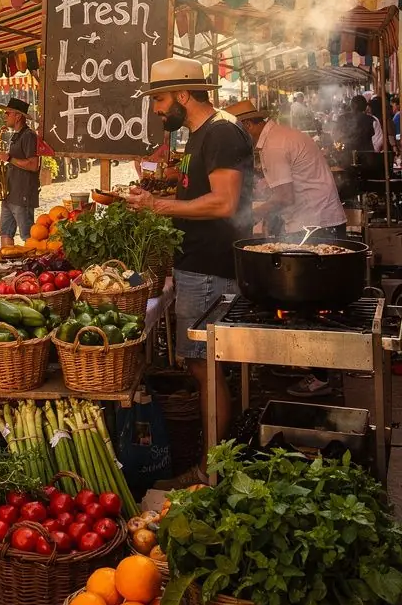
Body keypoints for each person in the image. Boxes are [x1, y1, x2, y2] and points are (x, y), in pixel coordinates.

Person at [125, 57, 254, 452]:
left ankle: (213, 461)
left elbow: (223, 203)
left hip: (209, 267)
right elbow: (197, 193)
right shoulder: (200, 133)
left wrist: (156, 206)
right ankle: (214, 454)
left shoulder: (220, 133)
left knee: (204, 366)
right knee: (202, 365)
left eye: (160, 99)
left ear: (183, 94)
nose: (156, 109)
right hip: (197, 264)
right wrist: (162, 196)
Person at [230, 99, 347, 399]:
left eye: (238, 129)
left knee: (314, 303)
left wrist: (252, 215)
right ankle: (312, 367)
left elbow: (284, 197)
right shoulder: (279, 137)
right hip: (317, 220)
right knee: (311, 301)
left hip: (315, 225)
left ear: (249, 125)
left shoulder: (274, 146)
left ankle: (322, 376)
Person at [0, 98, 40, 248]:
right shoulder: (16, 135)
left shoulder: (29, 135)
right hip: (10, 193)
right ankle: (6, 264)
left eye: (8, 113)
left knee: (27, 235)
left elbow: (34, 165)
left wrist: (9, 158)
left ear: (18, 116)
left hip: (23, 194)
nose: (5, 116)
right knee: (5, 232)